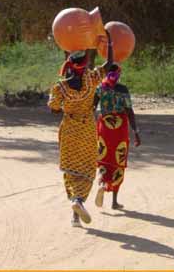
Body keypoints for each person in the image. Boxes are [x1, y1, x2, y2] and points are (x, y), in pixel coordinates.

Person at [48, 34, 113, 227]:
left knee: (70, 170)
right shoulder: (91, 79)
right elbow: (109, 65)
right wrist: (108, 43)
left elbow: (53, 109)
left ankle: (75, 211)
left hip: (69, 130)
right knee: (86, 169)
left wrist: (65, 106)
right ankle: (78, 202)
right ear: (85, 65)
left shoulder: (60, 87)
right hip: (86, 130)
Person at [93, 63, 141, 209]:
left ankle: (102, 182)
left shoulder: (100, 88)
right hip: (120, 128)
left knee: (104, 156)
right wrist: (136, 132)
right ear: (119, 74)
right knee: (118, 161)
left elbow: (92, 108)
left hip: (104, 127)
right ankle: (114, 201)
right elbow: (129, 111)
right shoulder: (123, 89)